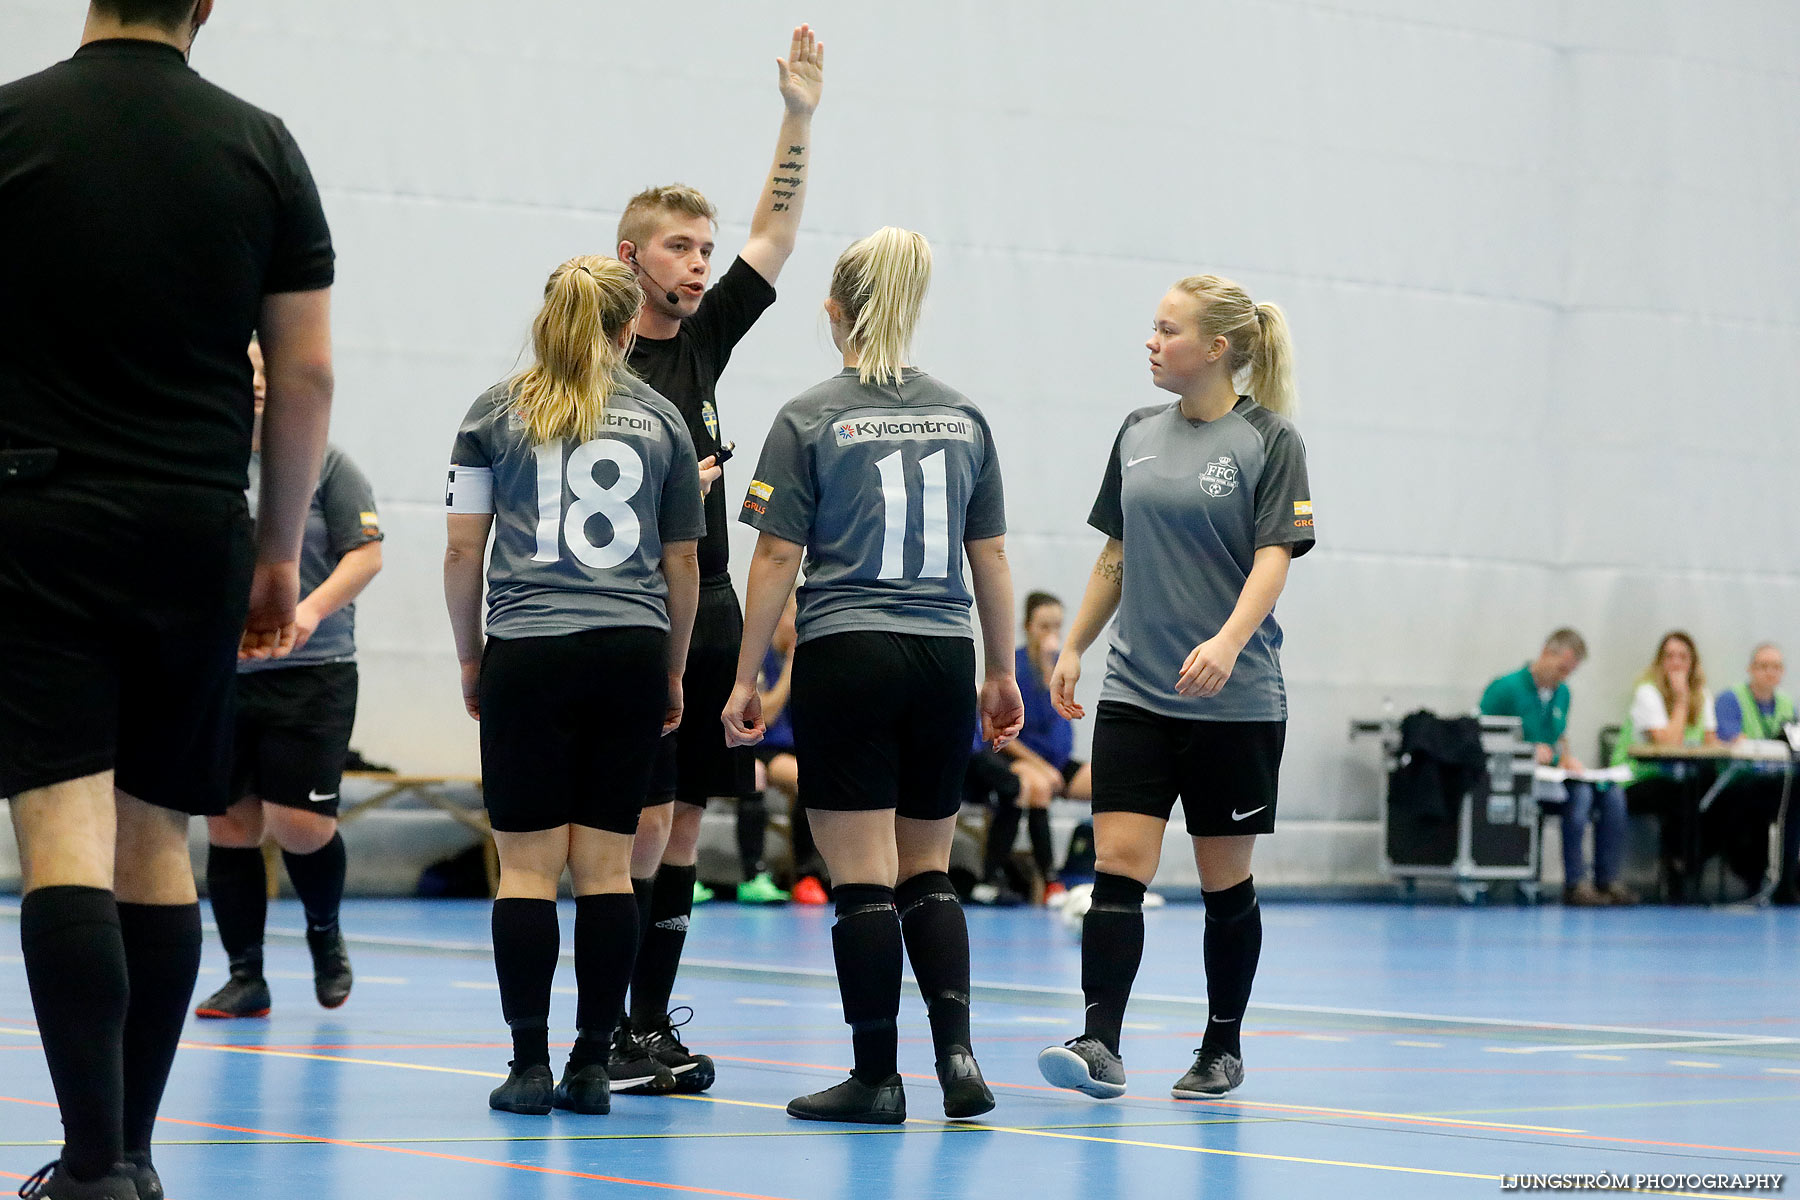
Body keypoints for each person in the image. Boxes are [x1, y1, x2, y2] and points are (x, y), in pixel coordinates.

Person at [0, 2, 335, 1196]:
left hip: (38, 514)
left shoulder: (13, 124)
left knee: (63, 838)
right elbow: (305, 371)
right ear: (207, 6)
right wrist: (282, 552)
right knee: (158, 839)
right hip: (195, 522)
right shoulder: (260, 146)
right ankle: (135, 1161)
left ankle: (89, 1166)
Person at [723, 227, 1023, 1124]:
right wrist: (1000, 672)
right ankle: (960, 1057)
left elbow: (777, 556)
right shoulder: (963, 416)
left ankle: (877, 1077)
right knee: (927, 867)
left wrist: (746, 676)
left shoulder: (811, 415)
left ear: (834, 312)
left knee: (861, 875)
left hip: (847, 651)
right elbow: (993, 555)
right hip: (942, 652)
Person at [1035, 274, 1313, 1103]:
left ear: (1216, 348)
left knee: (1224, 881)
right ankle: (1099, 1043)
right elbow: (1116, 551)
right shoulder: (1135, 433)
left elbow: (1273, 558)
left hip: (1234, 699)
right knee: (1118, 865)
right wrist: (1075, 645)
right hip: (1137, 692)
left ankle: (1220, 1050)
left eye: (1167, 330)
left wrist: (1228, 643)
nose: (1151, 343)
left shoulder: (1270, 439)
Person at [612, 23, 825, 1094]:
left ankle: (648, 1023)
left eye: (704, 251)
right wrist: (663, 484)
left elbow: (774, 237)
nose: (699, 265)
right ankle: (603, 1021)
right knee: (639, 821)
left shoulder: (703, 335)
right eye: (679, 249)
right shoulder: (590, 358)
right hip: (624, 614)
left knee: (692, 816)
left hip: (712, 614)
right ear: (629, 258)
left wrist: (796, 118)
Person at [442, 256, 703, 1116]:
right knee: (604, 867)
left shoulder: (493, 410)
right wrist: (671, 667)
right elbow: (682, 562)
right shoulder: (663, 419)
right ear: (629, 327)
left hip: (530, 646)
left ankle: (528, 1065)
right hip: (629, 648)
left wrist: (471, 654)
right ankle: (592, 1064)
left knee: (525, 868)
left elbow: (460, 551)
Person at [195, 342, 384, 1019]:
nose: (255, 385)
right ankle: (246, 974)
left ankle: (325, 936)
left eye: (266, 372)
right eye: (243, 371)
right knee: (228, 823)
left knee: (299, 824)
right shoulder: (204, 467)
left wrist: (307, 610)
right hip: (224, 674)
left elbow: (366, 555)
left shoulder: (325, 464)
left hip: (312, 670)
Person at [1479, 629, 1634, 906]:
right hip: (1520, 781)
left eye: (1569, 672)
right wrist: (1525, 751)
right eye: (1562, 668)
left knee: (1612, 795)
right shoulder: (1505, 688)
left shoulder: (1562, 694)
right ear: (1545, 653)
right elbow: (1480, 736)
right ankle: (1575, 883)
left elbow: (1559, 737)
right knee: (1581, 797)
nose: (1563, 677)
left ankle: (1606, 879)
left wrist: (1567, 759)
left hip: (1552, 777)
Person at [997, 591, 1093, 902]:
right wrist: (1040, 766)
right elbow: (1003, 733)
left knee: (1113, 784)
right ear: (1028, 626)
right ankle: (1050, 882)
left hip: (1059, 763)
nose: (1052, 635)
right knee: (1038, 788)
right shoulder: (1014, 667)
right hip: (1024, 761)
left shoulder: (1059, 666)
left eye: (1057, 627)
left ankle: (1098, 873)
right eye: (1044, 627)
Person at [1612, 631, 1719, 901]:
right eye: (1669, 656)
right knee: (1680, 796)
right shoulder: (1647, 693)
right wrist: (1681, 700)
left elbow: (1711, 742)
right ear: (1659, 662)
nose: (1676, 663)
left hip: (1680, 779)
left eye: (1683, 657)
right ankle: (1678, 871)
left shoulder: (1703, 694)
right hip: (1636, 779)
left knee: (1712, 793)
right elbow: (1667, 743)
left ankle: (1691, 866)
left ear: (1693, 662)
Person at [754, 591, 829, 904]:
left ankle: (835, 875)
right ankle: (807, 875)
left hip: (803, 746)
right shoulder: (761, 658)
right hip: (765, 746)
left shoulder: (814, 658)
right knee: (807, 780)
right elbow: (767, 715)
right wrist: (790, 669)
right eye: (795, 617)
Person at [1712, 644, 1792, 898]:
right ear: (1750, 669)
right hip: (1737, 782)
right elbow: (1731, 740)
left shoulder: (1787, 705)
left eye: (1776, 667)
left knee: (1791, 798)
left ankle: (1788, 878)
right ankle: (1761, 878)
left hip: (1780, 783)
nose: (1770, 672)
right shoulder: (1731, 699)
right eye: (1763, 666)